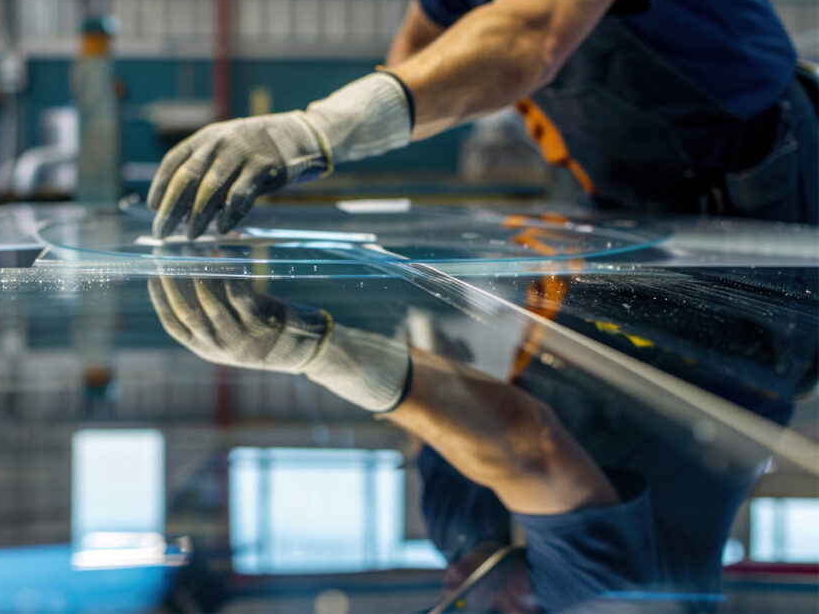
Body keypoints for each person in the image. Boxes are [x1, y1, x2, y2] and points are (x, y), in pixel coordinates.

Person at [146, 261, 816, 611]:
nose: (457, 591)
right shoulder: (612, 601)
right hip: (745, 314)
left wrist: (420, 346)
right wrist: (318, 352)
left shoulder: (470, 544)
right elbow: (530, 446)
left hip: (613, 301)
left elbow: (436, 432)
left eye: (449, 605)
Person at [146, 0, 818, 239]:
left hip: (764, 183)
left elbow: (529, 35)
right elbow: (415, 63)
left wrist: (308, 130)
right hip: (631, 200)